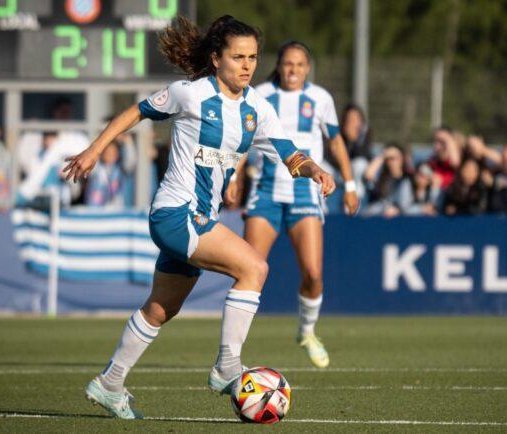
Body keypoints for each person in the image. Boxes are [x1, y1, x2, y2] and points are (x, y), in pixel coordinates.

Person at [62, 15, 335, 419]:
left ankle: (109, 382)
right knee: (254, 268)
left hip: (197, 217)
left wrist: (314, 170)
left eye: (253, 57)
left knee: (161, 309)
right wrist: (94, 150)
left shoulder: (256, 107)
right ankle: (227, 367)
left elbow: (289, 152)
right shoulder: (190, 94)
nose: (247, 65)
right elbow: (135, 112)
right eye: (238, 57)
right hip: (176, 212)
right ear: (216, 58)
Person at [223, 41, 358, 368]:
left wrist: (350, 183)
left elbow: (336, 141)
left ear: (307, 68)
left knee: (312, 274)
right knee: (248, 269)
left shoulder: (321, 99)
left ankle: (307, 332)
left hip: (304, 193)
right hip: (266, 193)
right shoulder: (260, 94)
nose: (293, 70)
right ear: (279, 66)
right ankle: (231, 354)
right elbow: (244, 139)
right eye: (287, 64)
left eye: (299, 64)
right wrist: (233, 177)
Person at [363, 143, 412, 217]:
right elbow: (368, 175)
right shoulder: (382, 179)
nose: (391, 162)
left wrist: (397, 210)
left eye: (395, 158)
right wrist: (383, 156)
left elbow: (407, 206)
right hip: (381, 216)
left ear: (402, 159)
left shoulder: (408, 179)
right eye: (388, 159)